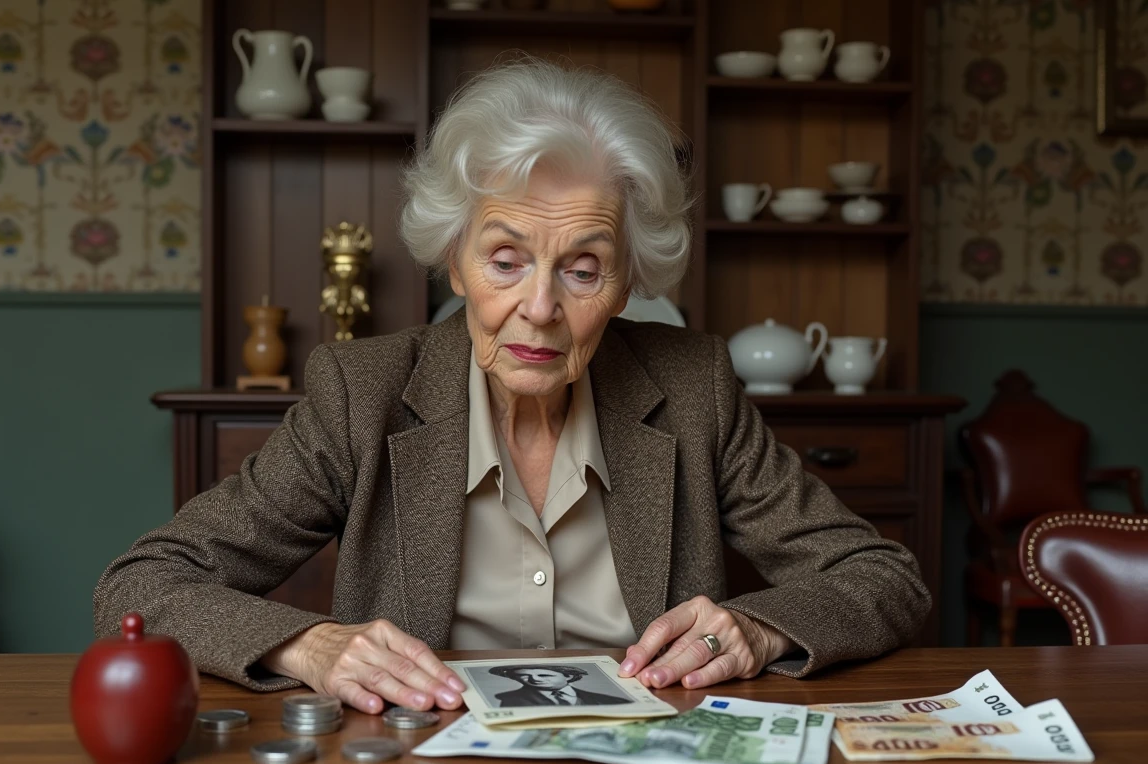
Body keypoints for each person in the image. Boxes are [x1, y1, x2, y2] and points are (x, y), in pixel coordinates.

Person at [94, 57, 930, 717]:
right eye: (504, 260)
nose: (540, 310)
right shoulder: (364, 392)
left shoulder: (694, 385)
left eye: (583, 268)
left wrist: (756, 628)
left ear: (629, 279)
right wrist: (308, 646)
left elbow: (884, 576)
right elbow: (141, 583)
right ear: (453, 256)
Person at [487, 665, 630, 707]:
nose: (534, 679)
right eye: (523, 676)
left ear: (568, 676)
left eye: (545, 675)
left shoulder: (612, 701)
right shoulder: (506, 700)